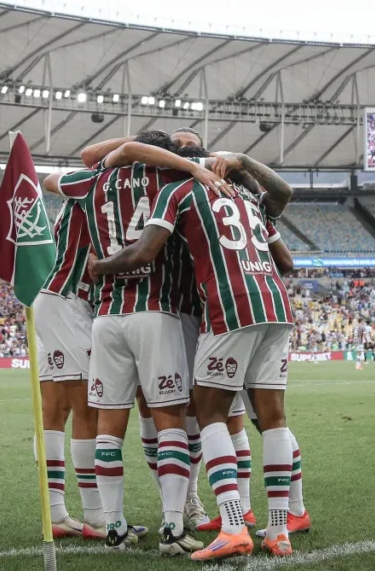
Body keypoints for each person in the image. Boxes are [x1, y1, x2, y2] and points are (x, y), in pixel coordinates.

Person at [89, 147, 297, 560]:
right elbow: (285, 214)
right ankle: (278, 530)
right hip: (277, 307)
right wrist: (244, 161)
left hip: (231, 306)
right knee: (273, 421)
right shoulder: (246, 195)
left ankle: (234, 525)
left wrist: (100, 267)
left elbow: (144, 252)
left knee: (209, 413)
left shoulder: (178, 191)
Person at [42, 131, 225, 554]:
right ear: (164, 154)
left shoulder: (94, 183)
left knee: (109, 428)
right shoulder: (171, 181)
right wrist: (193, 163)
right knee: (171, 422)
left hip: (106, 316)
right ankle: (174, 527)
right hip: (155, 313)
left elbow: (53, 179)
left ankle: (114, 528)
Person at [29, 188, 101, 539]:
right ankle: (96, 517)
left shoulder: (81, 196)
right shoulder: (99, 190)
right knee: (88, 409)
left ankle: (55, 514)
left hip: (53, 298)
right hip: (68, 302)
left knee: (53, 410)